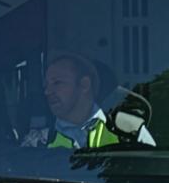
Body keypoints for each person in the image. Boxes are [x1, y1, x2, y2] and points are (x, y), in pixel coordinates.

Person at [22, 52, 157, 148]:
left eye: (57, 83)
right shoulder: (37, 142)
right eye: (46, 85)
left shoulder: (130, 133)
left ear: (84, 84)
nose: (47, 92)